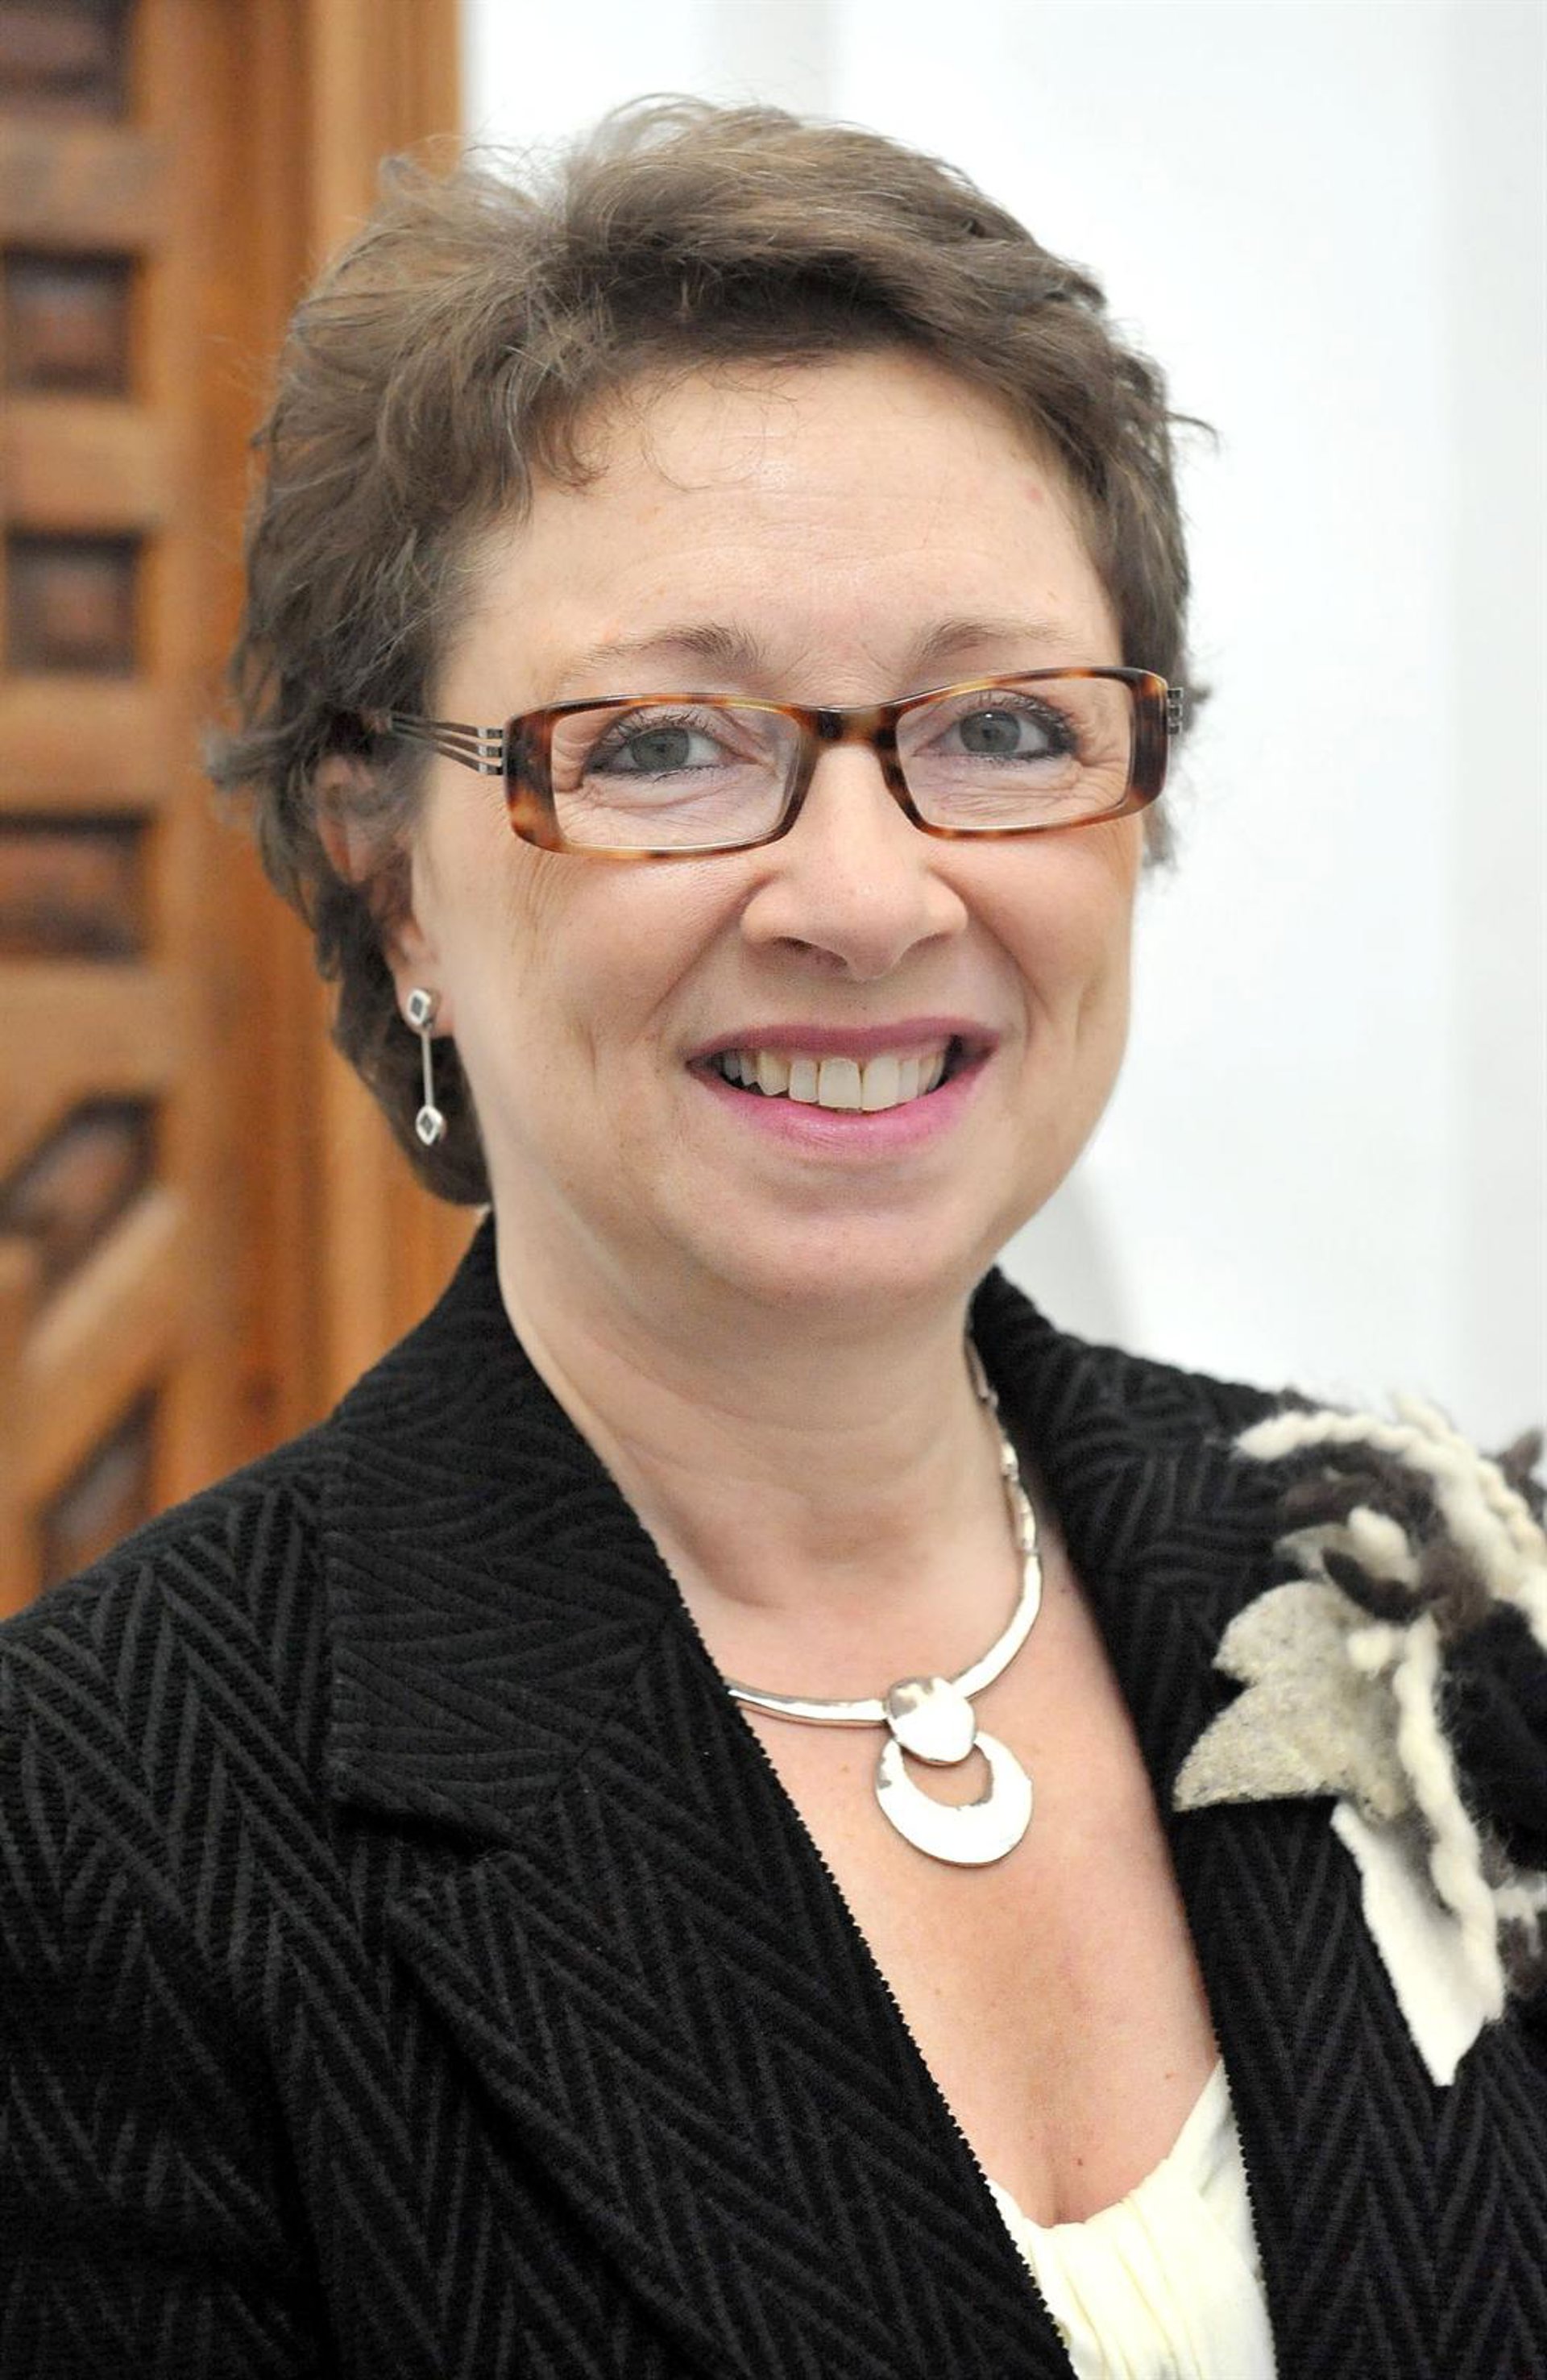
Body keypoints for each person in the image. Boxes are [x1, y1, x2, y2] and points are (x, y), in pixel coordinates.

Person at [2, 100, 1544, 2380]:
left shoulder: (1431, 1582)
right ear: (390, 868)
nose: (863, 895)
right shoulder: (95, 1827)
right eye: (663, 747)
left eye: (1002, 724)